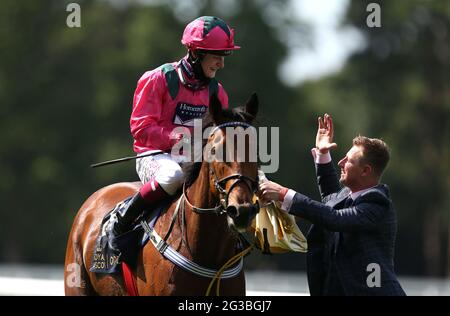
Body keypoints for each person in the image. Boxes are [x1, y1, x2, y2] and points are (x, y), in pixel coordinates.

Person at [112, 16, 240, 236]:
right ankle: (122, 219)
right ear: (196, 52)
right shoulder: (157, 79)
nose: (221, 63)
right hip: (154, 155)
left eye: (224, 56)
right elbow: (141, 130)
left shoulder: (217, 92)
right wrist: (185, 139)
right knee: (173, 176)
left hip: (193, 158)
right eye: (216, 56)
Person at [258, 113, 405, 296]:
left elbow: (333, 217)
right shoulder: (349, 196)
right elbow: (331, 199)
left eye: (348, 160)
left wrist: (283, 194)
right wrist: (322, 153)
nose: (341, 162)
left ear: (366, 170)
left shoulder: (377, 203)